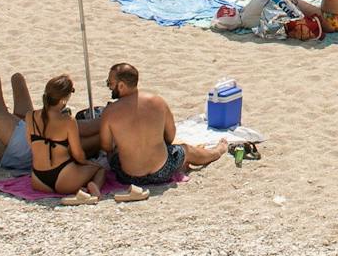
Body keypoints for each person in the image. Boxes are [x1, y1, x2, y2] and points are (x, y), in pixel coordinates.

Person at [88, 61, 225, 195]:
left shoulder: (110, 112)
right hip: (162, 171)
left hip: (128, 176)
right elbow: (170, 137)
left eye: (110, 83)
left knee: (114, 154)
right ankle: (217, 152)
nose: (109, 87)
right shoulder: (157, 102)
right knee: (186, 150)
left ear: (122, 85)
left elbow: (106, 147)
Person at [25, 74, 103, 200]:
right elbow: (78, 154)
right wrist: (88, 164)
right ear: (64, 99)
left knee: (76, 170)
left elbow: (31, 144)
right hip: (63, 178)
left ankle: (79, 188)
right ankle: (94, 188)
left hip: (38, 181)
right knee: (100, 169)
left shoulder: (30, 116)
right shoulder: (68, 121)